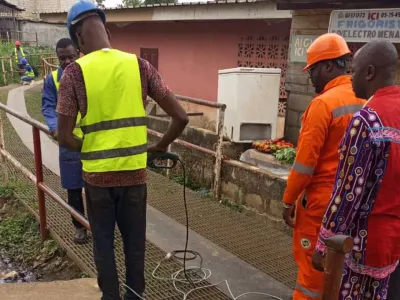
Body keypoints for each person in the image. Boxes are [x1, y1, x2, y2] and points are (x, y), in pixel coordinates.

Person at [57, 1, 189, 299]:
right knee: (135, 245)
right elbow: (181, 117)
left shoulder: (74, 74)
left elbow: (64, 137)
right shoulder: (140, 65)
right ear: (107, 30)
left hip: (97, 180)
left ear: (78, 38)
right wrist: (159, 146)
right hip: (135, 176)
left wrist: (91, 149)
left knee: (103, 243)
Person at [312, 40, 400, 300]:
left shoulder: (366, 120)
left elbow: (348, 193)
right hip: (392, 242)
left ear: (370, 72)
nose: (350, 78)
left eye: (354, 70)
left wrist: (324, 243)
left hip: (362, 243)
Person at [281, 33, 365, 299]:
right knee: (342, 274)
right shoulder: (366, 99)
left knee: (311, 273)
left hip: (319, 208)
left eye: (313, 69)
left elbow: (304, 165)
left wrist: (288, 200)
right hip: (355, 206)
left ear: (329, 66)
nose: (311, 77)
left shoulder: (322, 105)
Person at [41, 38, 87, 244]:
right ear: (57, 58)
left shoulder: (88, 73)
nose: (67, 61)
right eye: (62, 58)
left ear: (78, 52)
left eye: (71, 56)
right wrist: (54, 127)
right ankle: (80, 227)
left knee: (97, 186)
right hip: (68, 142)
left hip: (91, 139)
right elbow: (48, 105)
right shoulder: (52, 79)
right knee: (73, 186)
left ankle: (98, 225)